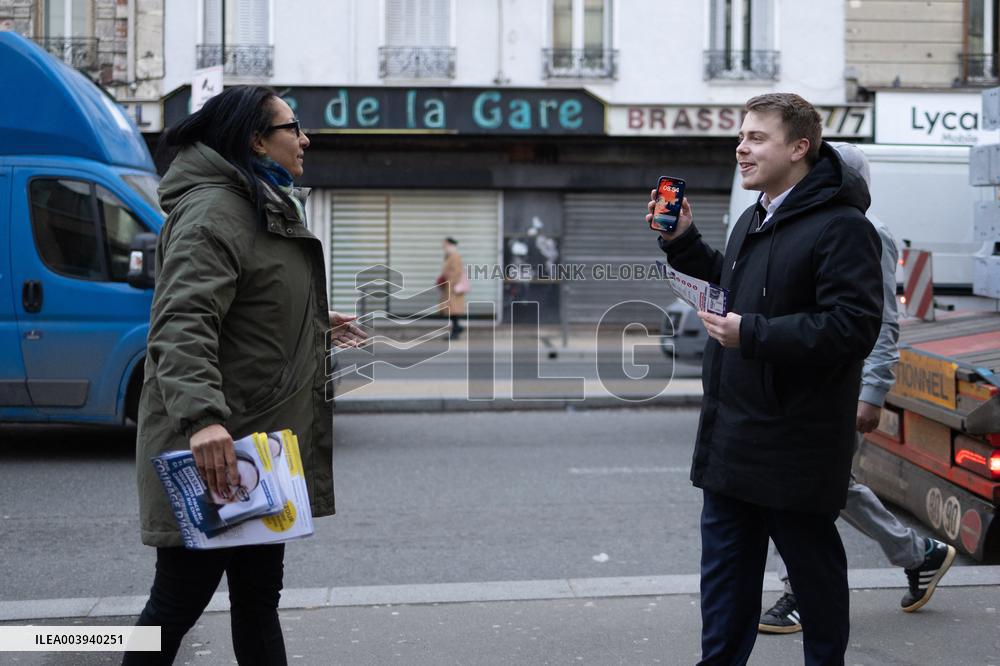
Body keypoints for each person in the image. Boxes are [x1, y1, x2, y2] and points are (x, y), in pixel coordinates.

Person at [125, 85, 366, 665]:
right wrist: (203, 421)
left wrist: (312, 319)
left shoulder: (259, 199)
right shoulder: (216, 210)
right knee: (175, 605)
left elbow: (248, 302)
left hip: (259, 447)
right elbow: (182, 322)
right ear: (256, 140)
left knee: (258, 599)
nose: (305, 139)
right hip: (220, 449)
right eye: (293, 127)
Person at [647, 93, 884, 665]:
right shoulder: (757, 215)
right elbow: (735, 286)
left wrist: (751, 334)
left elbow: (853, 326)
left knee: (813, 576)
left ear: (800, 147)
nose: (741, 147)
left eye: (756, 137)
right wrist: (682, 242)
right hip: (733, 434)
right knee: (725, 579)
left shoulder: (843, 228)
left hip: (794, 441)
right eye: (741, 136)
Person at [758, 142, 957, 635]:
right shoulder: (806, 223)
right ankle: (919, 553)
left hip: (841, 386)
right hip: (807, 384)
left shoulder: (866, 230)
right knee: (823, 486)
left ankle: (800, 590)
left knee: (799, 489)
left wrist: (873, 391)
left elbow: (884, 322)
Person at [437, 236, 467, 339]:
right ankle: (456, 329)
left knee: (453, 310)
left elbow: (456, 272)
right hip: (450, 287)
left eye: (445, 244)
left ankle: (456, 331)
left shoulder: (455, 256)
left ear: (450, 245)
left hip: (453, 288)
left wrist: (450, 282)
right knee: (452, 310)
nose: (443, 246)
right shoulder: (449, 256)